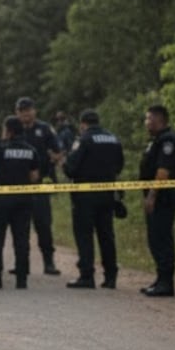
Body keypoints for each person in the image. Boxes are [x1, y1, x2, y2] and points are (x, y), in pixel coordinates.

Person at [63, 109, 124, 289]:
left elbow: (71, 168)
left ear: (83, 124)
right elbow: (119, 166)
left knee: (84, 235)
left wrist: (65, 165)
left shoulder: (83, 140)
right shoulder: (113, 139)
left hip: (85, 196)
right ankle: (111, 276)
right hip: (107, 194)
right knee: (106, 235)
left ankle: (87, 276)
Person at [0, 116, 40, 289]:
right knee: (21, 239)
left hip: (0, 200)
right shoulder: (31, 150)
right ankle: (22, 279)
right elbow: (34, 176)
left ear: (9, 131)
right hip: (24, 200)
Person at [13, 96, 64, 275]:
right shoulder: (14, 129)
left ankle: (48, 262)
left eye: (28, 110)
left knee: (43, 224)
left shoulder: (44, 129)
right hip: (18, 184)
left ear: (34, 111)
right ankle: (21, 264)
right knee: (20, 226)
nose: (25, 114)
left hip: (41, 182)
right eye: (22, 110)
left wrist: (54, 159)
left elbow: (58, 152)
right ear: (17, 113)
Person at [140, 104, 175, 298]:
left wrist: (152, 195)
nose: (146, 122)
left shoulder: (168, 141)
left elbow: (163, 171)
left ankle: (166, 283)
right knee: (154, 238)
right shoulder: (157, 140)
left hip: (163, 197)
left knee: (162, 238)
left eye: (149, 118)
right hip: (157, 196)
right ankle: (160, 279)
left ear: (159, 119)